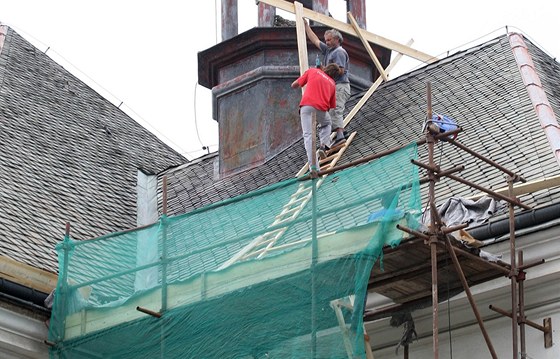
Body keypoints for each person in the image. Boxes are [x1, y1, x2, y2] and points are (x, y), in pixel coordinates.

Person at [304, 20, 350, 147]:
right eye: (326, 40)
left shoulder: (339, 52)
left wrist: (323, 70)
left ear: (337, 40)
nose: (327, 42)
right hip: (333, 87)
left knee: (336, 110)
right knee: (330, 111)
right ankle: (342, 132)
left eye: (329, 40)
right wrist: (306, 26)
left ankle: (340, 135)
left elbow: (340, 71)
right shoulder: (329, 50)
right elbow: (315, 40)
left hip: (340, 86)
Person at [291, 64, 340, 176]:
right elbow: (332, 106)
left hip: (307, 106)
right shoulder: (332, 83)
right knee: (327, 123)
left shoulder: (313, 71)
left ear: (326, 68)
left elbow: (295, 84)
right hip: (321, 109)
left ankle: (314, 167)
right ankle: (323, 145)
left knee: (308, 136)